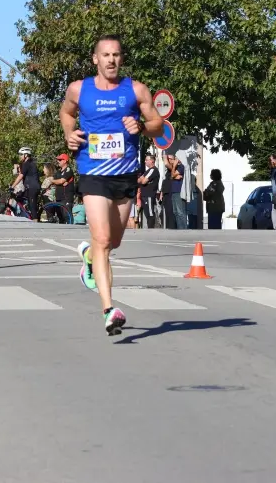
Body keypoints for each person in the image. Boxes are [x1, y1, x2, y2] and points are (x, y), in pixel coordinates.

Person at [60, 34, 164, 335]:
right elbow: (66, 112)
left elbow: (158, 126)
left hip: (125, 174)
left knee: (113, 241)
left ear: (121, 58)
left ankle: (89, 258)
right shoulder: (79, 89)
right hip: (92, 172)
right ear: (95, 59)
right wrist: (70, 134)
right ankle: (109, 309)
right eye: (105, 55)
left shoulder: (135, 90)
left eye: (116, 55)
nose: (111, 60)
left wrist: (143, 127)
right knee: (103, 238)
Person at [11, 148, 40, 219]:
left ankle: (35, 223)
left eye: (21, 154)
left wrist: (12, 186)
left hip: (32, 188)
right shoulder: (27, 163)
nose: (19, 156)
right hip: (28, 187)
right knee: (19, 198)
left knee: (32, 207)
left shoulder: (28, 163)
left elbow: (21, 176)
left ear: (26, 155)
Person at [137, 154, 160, 228]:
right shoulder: (147, 171)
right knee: (147, 213)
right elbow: (139, 180)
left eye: (147, 160)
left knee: (150, 213)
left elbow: (143, 181)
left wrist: (142, 180)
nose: (145, 161)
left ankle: (151, 229)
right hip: (144, 195)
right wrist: (142, 180)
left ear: (152, 161)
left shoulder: (153, 170)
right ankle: (149, 228)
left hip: (149, 195)